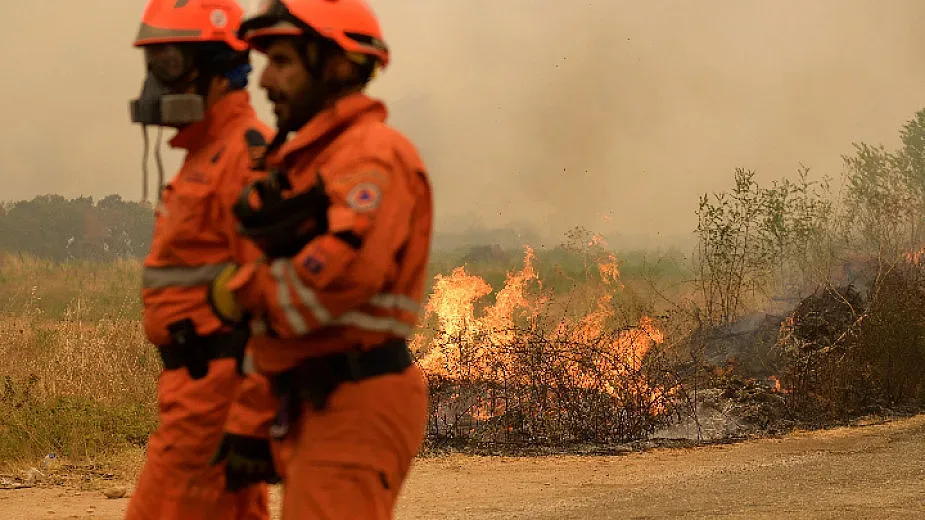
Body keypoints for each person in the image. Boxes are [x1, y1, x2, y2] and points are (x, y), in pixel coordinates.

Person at [206, 0, 434, 517]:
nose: (264, 81)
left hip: (357, 402)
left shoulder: (372, 157)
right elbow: (283, 333)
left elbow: (336, 281)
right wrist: (249, 422)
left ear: (335, 65)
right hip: (313, 399)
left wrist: (241, 291)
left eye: (282, 61)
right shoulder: (316, 164)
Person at [124, 1, 278, 518]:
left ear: (216, 67)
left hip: (215, 401)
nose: (158, 82)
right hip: (193, 397)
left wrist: (252, 420)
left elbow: (272, 300)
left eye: (169, 64)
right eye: (155, 65)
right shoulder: (204, 154)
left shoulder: (244, 155)